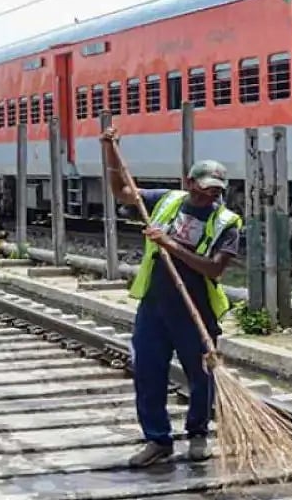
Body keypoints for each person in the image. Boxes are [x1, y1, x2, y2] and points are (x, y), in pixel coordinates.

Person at [100, 127, 243, 468]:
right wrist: (110, 149)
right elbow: (122, 190)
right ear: (189, 182)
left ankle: (197, 434)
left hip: (195, 308)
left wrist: (170, 246)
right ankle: (157, 440)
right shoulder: (166, 201)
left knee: (201, 375)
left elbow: (214, 270)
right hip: (155, 306)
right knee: (148, 372)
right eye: (206, 187)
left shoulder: (226, 222)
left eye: (216, 190)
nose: (211, 195)